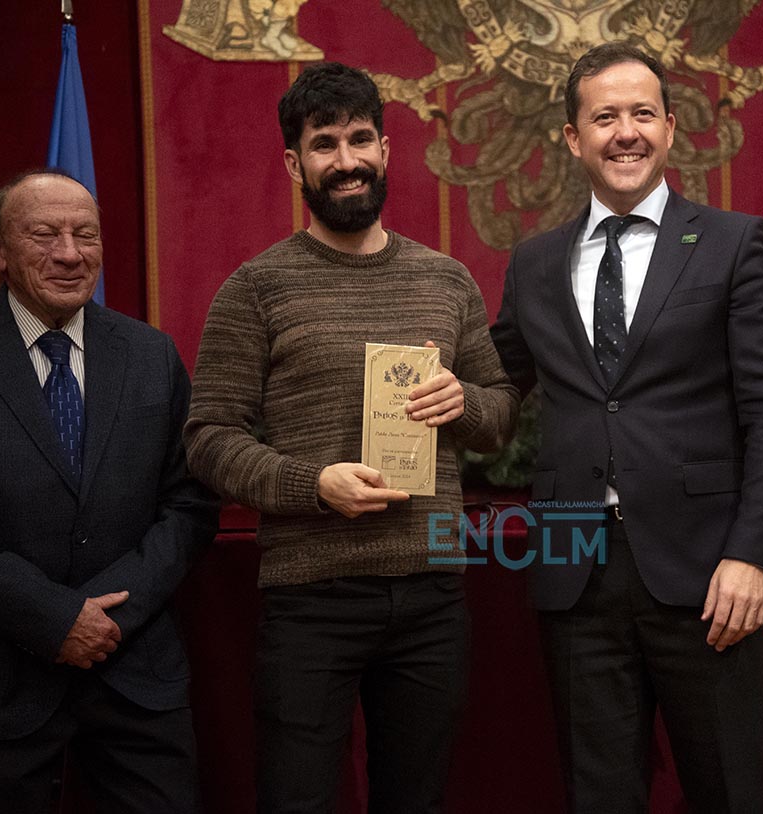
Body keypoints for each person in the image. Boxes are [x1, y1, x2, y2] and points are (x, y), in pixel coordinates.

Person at [183, 62, 517, 813]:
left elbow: (499, 417)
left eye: (360, 139)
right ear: (293, 163)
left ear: (385, 150)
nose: (346, 161)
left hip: (432, 595)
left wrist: (463, 402)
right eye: (324, 144)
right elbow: (207, 437)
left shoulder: (447, 280)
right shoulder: (255, 287)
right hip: (311, 599)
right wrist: (314, 485)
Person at [490, 42, 763, 813]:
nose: (624, 132)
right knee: (598, 796)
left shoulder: (733, 242)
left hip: (707, 573)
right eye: (604, 118)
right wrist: (413, 386)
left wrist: (752, 554)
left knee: (730, 792)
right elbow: (492, 386)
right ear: (572, 138)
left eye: (641, 114)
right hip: (575, 570)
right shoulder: (533, 263)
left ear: (669, 128)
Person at [0, 169, 219, 812]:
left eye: (86, 235)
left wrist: (109, 617)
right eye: (45, 234)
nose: (70, 254)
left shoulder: (151, 355)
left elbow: (190, 503)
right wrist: (52, 618)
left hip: (134, 672)